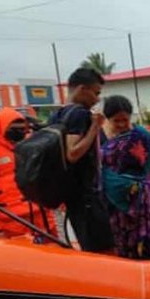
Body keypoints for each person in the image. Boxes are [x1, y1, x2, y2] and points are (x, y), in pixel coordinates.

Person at [50, 68, 114, 252]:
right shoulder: (79, 114)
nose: (97, 99)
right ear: (82, 89)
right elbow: (73, 152)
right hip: (88, 197)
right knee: (105, 250)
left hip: (74, 196)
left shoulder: (58, 114)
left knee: (91, 247)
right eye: (96, 93)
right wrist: (95, 126)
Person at [99, 95, 150, 260]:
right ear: (107, 119)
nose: (122, 125)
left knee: (148, 237)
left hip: (144, 197)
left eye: (125, 120)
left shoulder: (142, 134)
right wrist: (121, 185)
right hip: (115, 200)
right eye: (117, 121)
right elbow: (99, 169)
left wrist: (134, 182)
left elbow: (149, 162)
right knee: (123, 239)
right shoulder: (99, 138)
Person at [0, 107, 56, 237]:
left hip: (42, 218)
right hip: (12, 224)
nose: (20, 132)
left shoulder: (27, 147)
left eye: (22, 129)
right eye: (15, 129)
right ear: (2, 127)